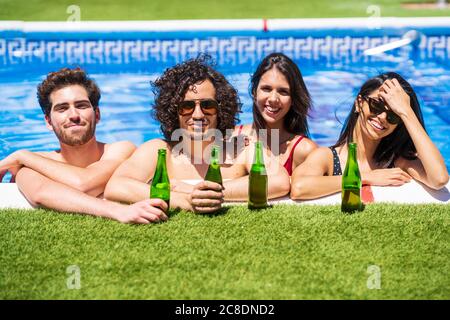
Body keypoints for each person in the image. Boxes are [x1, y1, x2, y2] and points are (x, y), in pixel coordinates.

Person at [104, 55, 290, 213]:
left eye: (208, 105)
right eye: (187, 106)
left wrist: (208, 191)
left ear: (221, 109)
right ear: (173, 111)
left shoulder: (242, 147)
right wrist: (183, 199)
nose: (198, 114)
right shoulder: (159, 150)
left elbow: (279, 181)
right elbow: (115, 186)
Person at [0, 67, 168, 224]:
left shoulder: (122, 150)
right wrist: (118, 211)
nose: (73, 115)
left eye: (81, 105)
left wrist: (22, 155)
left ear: (97, 114)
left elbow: (84, 183)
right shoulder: (32, 164)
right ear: (49, 122)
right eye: (62, 108)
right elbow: (40, 193)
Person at [290, 72, 449, 200]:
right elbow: (299, 187)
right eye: (376, 105)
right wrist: (366, 177)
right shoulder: (328, 158)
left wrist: (406, 112)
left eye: (393, 115)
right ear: (359, 103)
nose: (382, 117)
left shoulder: (396, 161)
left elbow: (439, 178)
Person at [233, 52, 318, 176]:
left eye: (283, 92)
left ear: (293, 99)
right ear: (254, 92)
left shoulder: (304, 150)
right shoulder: (232, 137)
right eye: (266, 89)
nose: (273, 99)